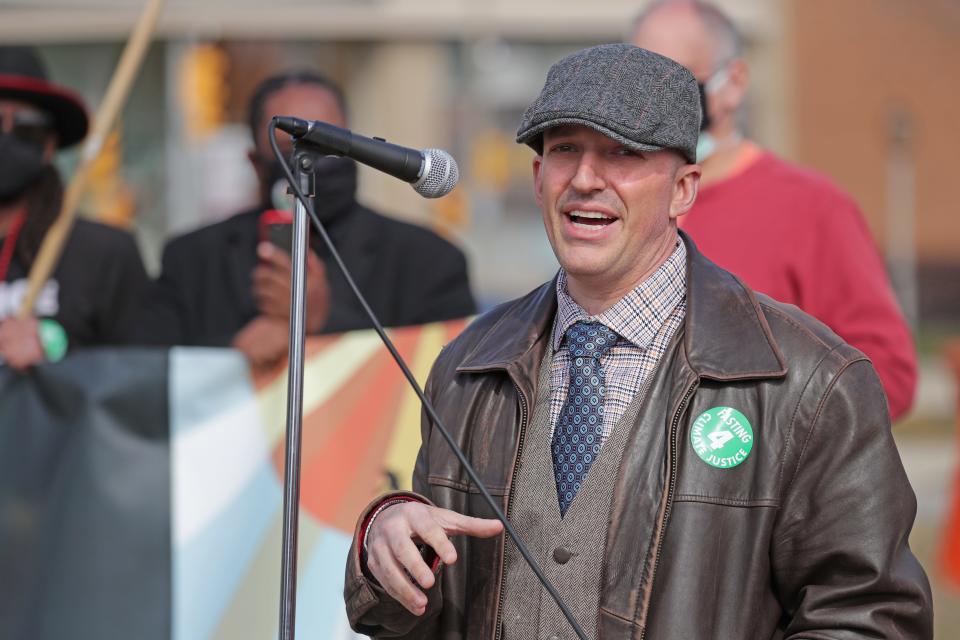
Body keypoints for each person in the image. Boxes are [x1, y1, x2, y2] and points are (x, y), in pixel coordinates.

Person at [343, 44, 931, 639]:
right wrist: (384, 546)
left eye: (622, 152)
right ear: (538, 176)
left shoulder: (812, 381)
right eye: (563, 149)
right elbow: (419, 618)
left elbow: (871, 618)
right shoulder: (466, 366)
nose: (585, 179)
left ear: (684, 190)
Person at [631, 0, 918, 420]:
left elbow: (888, 378)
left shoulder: (813, 207)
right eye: (640, 84)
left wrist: (760, 422)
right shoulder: (622, 199)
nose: (656, 103)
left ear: (734, 82)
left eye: (678, 82)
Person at [138, 71, 476, 366]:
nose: (315, 161)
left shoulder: (429, 261)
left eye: (331, 144)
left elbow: (445, 386)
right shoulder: (191, 259)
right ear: (257, 163)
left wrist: (324, 322)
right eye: (292, 149)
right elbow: (146, 377)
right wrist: (231, 359)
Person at [0, 46, 147, 371]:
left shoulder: (105, 254)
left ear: (49, 143)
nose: (6, 136)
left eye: (26, 127)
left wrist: (56, 348)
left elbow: (143, 380)